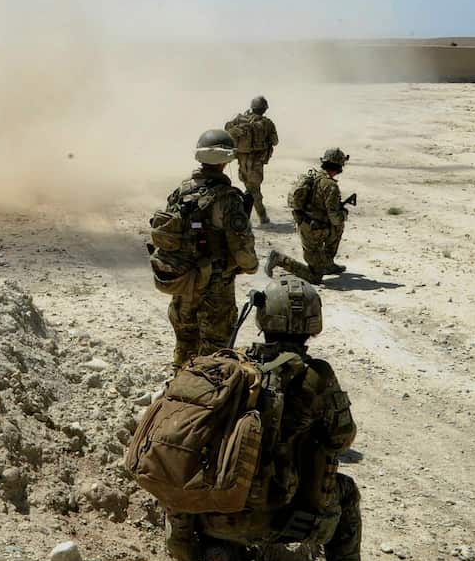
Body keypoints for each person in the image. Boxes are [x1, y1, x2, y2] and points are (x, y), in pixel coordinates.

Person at [164, 275, 373, 561]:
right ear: (313, 323)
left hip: (214, 512)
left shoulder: (228, 366)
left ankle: (218, 554)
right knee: (347, 495)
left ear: (263, 318)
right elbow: (342, 438)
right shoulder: (317, 377)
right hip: (283, 521)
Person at [150, 129, 258, 368]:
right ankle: (207, 399)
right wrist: (250, 266)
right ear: (226, 160)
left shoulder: (181, 191)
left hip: (184, 282)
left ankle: (178, 394)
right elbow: (242, 251)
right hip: (215, 289)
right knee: (215, 353)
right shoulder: (228, 199)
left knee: (185, 344)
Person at [264, 147, 351, 284]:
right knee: (315, 277)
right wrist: (344, 213)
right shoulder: (330, 185)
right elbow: (335, 218)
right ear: (338, 165)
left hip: (309, 224)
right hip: (312, 231)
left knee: (338, 227)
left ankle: (328, 264)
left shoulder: (313, 176)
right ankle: (279, 259)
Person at [224, 95, 279, 224]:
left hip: (242, 159)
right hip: (256, 160)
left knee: (250, 187)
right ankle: (257, 216)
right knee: (253, 189)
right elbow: (275, 141)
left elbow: (227, 129)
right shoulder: (267, 123)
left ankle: (253, 216)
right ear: (264, 109)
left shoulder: (239, 119)